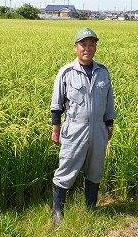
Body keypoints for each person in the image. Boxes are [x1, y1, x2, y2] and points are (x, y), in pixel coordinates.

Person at [50, 27, 117, 226]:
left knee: (96, 169)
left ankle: (91, 207)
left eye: (91, 44)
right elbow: (56, 104)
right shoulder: (66, 72)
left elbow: (109, 101)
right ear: (75, 48)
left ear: (95, 47)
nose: (87, 48)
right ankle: (57, 212)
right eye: (83, 45)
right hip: (74, 129)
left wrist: (109, 125)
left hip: (98, 129)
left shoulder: (103, 72)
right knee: (66, 169)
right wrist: (56, 129)